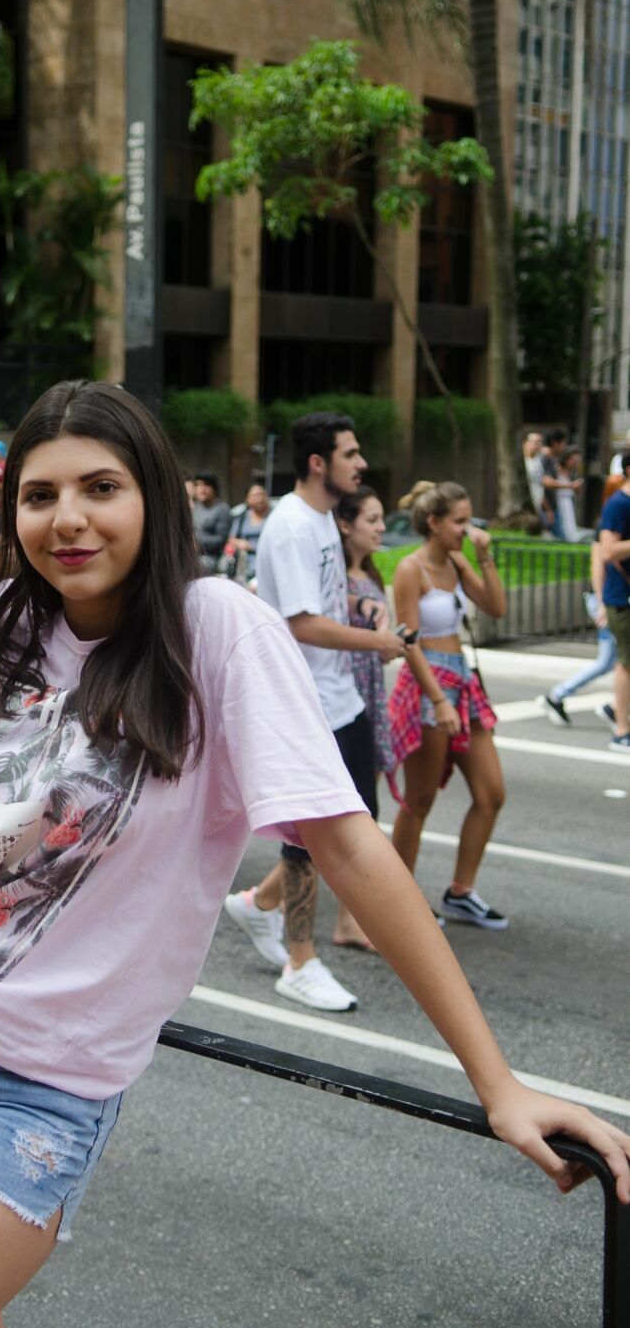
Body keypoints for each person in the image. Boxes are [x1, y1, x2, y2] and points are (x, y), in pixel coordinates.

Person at [0, 380, 630, 1328]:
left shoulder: (212, 628)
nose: (68, 517)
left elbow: (347, 847)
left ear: (155, 498)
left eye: (101, 486)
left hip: (32, 1088)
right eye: (40, 495)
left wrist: (497, 1083)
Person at [223, 413, 406, 1010]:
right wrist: (379, 642)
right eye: (351, 454)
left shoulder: (323, 519)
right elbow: (299, 621)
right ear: (319, 463)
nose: (362, 464)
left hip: (339, 697)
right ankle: (299, 963)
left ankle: (258, 904)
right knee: (312, 838)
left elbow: (319, 598)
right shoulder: (293, 525)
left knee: (351, 824)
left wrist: (360, 604)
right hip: (306, 703)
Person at [388, 482, 508, 928]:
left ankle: (461, 892)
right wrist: (438, 700)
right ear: (434, 523)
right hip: (429, 683)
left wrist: (483, 556)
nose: (468, 529)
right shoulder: (410, 569)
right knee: (418, 800)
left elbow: (495, 607)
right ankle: (397, 902)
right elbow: (410, 640)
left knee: (491, 793)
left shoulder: (457, 561)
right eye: (460, 521)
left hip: (463, 680)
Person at [337, 486, 397, 892]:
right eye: (371, 519)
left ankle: (266, 900)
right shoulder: (335, 578)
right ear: (345, 524)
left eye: (381, 519)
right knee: (350, 811)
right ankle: (266, 899)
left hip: (369, 691)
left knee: (362, 806)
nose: (380, 528)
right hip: (344, 696)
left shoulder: (370, 572)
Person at [538, 534, 617, 728]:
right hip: (609, 604)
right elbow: (597, 563)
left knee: (608, 662)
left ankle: (558, 695)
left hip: (611, 603)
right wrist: (602, 604)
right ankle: (614, 708)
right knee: (611, 662)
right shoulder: (614, 517)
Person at [597, 449, 630, 750]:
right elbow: (607, 551)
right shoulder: (619, 504)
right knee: (626, 663)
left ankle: (616, 709)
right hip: (623, 598)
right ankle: (621, 730)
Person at [225, 482, 271, 584]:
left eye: (262, 494)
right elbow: (231, 538)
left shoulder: (273, 517)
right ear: (248, 499)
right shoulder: (241, 517)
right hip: (243, 566)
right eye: (255, 495)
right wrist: (240, 543)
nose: (259, 499)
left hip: (265, 564)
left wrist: (252, 546)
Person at [191, 472, 231, 573]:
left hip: (212, 557)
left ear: (214, 488)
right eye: (198, 485)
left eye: (206, 485)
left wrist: (198, 543)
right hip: (191, 553)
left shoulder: (222, 509)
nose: (201, 489)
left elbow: (221, 539)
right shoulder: (194, 507)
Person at [538, 427, 568, 538]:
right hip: (546, 507)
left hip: (551, 506)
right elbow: (544, 482)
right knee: (560, 538)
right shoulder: (544, 458)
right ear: (554, 443)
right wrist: (569, 486)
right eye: (563, 443)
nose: (564, 447)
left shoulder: (552, 458)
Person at [554, 444, 585, 542]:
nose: (575, 462)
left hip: (568, 502)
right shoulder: (557, 469)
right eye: (573, 459)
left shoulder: (571, 473)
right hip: (558, 502)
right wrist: (570, 486)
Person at [523, 430, 545, 518]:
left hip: (538, 504)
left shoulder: (538, 461)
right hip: (526, 505)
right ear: (526, 443)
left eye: (540, 442)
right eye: (536, 442)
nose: (538, 445)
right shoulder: (522, 462)